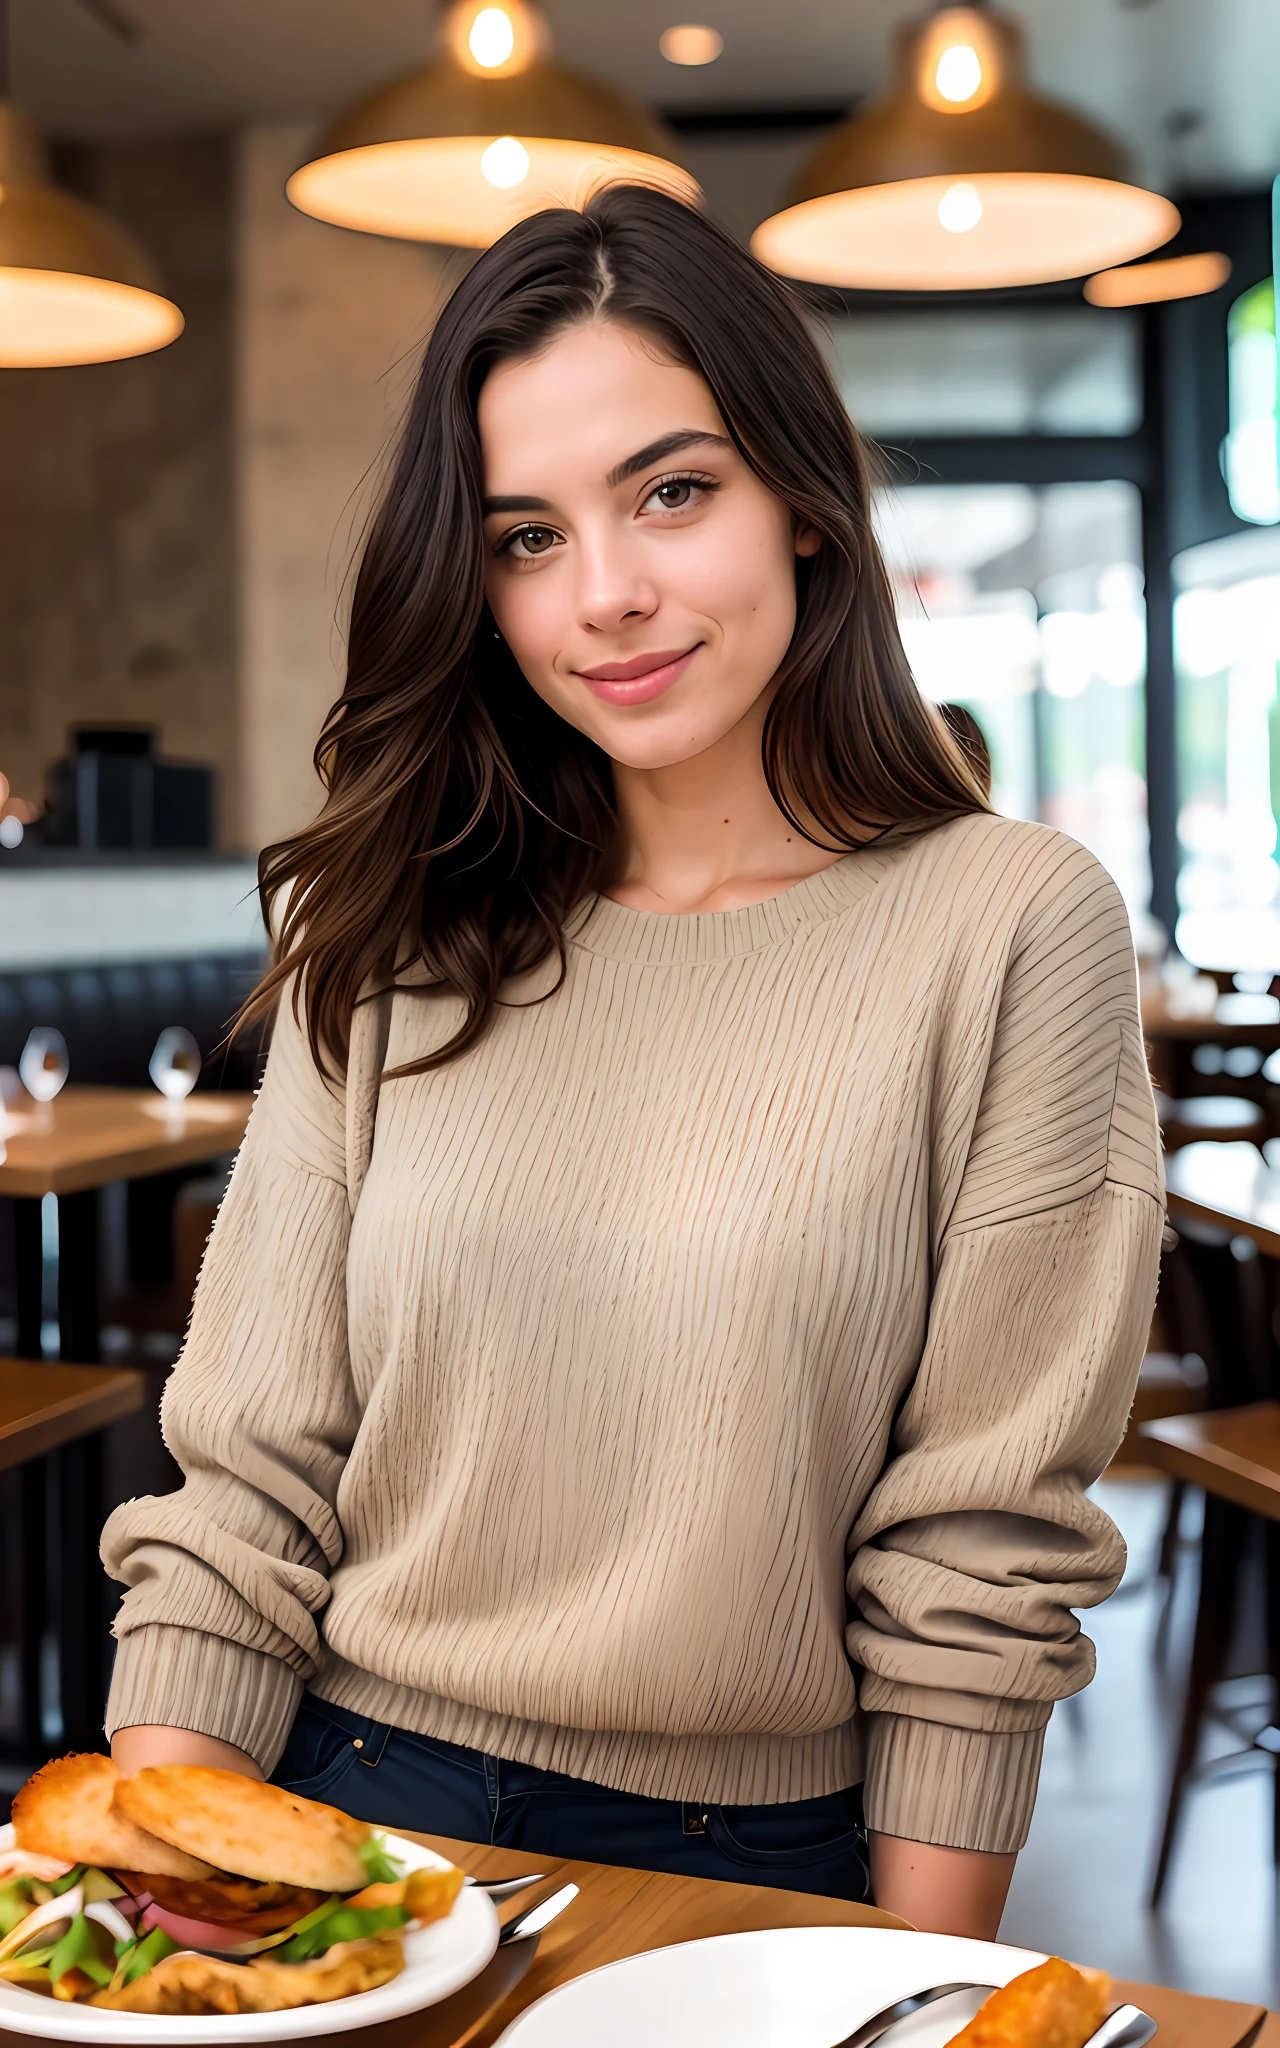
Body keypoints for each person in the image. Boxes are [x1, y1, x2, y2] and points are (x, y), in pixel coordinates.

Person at [103, 185, 1163, 1939]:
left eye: (674, 492)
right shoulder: (393, 923)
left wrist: (906, 1987)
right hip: (347, 1805)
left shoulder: (1008, 923)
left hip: (757, 1860)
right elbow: (245, 1490)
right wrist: (176, 1886)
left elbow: (982, 1554)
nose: (606, 596)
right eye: (525, 536)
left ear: (803, 508)